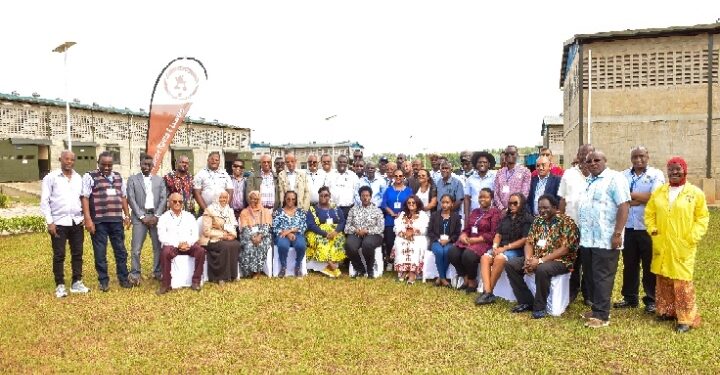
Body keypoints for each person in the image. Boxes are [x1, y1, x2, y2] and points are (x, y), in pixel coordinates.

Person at [645, 157, 709, 333]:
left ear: (684, 170)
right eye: (671, 169)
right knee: (663, 278)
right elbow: (649, 213)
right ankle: (666, 311)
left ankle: (685, 319)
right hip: (662, 243)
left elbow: (702, 217)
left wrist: (692, 236)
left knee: (682, 282)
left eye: (677, 169)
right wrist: (653, 230)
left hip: (683, 245)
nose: (674, 172)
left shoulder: (695, 193)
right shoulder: (659, 192)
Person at [577, 150, 630, 329]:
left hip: (606, 239)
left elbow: (623, 205)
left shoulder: (615, 179)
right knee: (590, 276)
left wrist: (617, 233)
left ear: (605, 160)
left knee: (602, 277)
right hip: (588, 239)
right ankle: (595, 308)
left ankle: (602, 315)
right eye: (589, 161)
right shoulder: (589, 181)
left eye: (596, 160)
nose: (592, 163)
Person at [504, 195, 579, 318]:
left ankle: (540, 307)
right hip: (537, 257)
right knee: (510, 264)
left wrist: (539, 261)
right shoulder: (538, 221)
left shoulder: (567, 222)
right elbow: (529, 242)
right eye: (540, 208)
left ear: (555, 207)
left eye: (545, 207)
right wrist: (528, 259)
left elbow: (565, 249)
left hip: (561, 261)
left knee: (542, 268)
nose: (542, 211)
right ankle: (526, 301)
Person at [614, 146, 665, 314]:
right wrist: (638, 199)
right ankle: (630, 298)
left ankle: (651, 300)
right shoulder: (623, 176)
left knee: (649, 264)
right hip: (628, 227)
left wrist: (630, 197)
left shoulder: (656, 175)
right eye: (634, 157)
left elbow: (655, 197)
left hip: (647, 228)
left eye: (641, 156)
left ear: (647, 156)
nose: (638, 160)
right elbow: (619, 199)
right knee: (630, 264)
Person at [81, 151, 133, 292]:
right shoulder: (90, 176)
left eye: (109, 165)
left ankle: (123, 278)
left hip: (116, 220)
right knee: (100, 252)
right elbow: (85, 198)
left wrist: (127, 215)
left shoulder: (118, 177)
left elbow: (123, 197)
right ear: (98, 163)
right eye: (103, 164)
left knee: (121, 251)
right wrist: (88, 219)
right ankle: (103, 281)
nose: (107, 167)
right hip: (99, 222)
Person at [41, 150, 90, 297]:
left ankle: (76, 283)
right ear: (60, 159)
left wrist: (83, 216)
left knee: (77, 253)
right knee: (59, 255)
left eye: (72, 160)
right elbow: (44, 201)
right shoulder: (51, 178)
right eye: (66, 159)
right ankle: (60, 285)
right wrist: (50, 222)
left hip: (76, 222)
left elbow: (83, 198)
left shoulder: (78, 178)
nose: (69, 162)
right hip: (58, 223)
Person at [476, 192, 534, 305]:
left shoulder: (528, 219)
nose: (511, 205)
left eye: (515, 203)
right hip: (501, 248)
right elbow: (498, 234)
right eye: (510, 203)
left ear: (521, 204)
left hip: (517, 250)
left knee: (499, 258)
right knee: (485, 258)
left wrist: (505, 248)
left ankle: (487, 293)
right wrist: (494, 247)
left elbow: (525, 239)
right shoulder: (505, 218)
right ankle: (488, 292)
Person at [558, 144, 594, 305]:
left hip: (592, 227)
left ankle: (588, 294)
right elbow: (562, 199)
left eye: (589, 154)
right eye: (582, 154)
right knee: (572, 260)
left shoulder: (599, 174)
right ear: (578, 156)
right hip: (571, 227)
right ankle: (572, 291)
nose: (585, 157)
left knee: (589, 261)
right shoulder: (569, 174)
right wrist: (561, 224)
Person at [448, 188, 501, 293]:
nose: (482, 199)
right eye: (480, 197)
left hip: (484, 242)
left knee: (468, 255)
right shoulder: (475, 211)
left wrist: (475, 240)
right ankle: (465, 276)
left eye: (486, 197)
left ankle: (472, 280)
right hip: (468, 240)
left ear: (491, 199)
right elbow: (467, 228)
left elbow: (493, 234)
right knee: (452, 252)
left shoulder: (495, 213)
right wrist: (463, 235)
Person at [127, 154, 167, 285]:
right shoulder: (133, 179)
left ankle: (157, 272)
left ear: (153, 166)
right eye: (144, 164)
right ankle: (135, 274)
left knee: (158, 247)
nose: (147, 167)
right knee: (136, 248)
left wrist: (157, 216)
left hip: (156, 217)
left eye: (149, 165)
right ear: (140, 163)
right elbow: (131, 199)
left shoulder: (159, 180)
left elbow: (163, 199)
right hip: (140, 218)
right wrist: (142, 216)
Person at [156, 193, 206, 295]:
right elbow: (162, 237)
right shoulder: (163, 218)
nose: (177, 203)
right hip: (172, 245)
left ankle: (196, 282)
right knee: (165, 253)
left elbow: (195, 234)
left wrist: (188, 243)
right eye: (174, 201)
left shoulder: (189, 216)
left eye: (180, 201)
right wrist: (178, 244)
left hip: (188, 245)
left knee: (200, 251)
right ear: (169, 203)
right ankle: (166, 284)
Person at [199, 191, 241, 284]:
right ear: (216, 198)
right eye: (221, 197)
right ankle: (219, 276)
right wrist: (223, 235)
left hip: (227, 236)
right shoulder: (209, 210)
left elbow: (233, 225)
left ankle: (232, 274)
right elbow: (206, 231)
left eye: (225, 198)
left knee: (236, 244)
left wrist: (232, 235)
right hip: (210, 239)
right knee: (224, 246)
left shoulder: (229, 210)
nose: (223, 200)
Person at [344, 186, 385, 278]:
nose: (365, 198)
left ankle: (370, 270)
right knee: (349, 245)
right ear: (360, 197)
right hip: (356, 233)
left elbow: (381, 228)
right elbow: (347, 227)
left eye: (367, 196)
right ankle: (360, 269)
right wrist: (356, 230)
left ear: (371, 197)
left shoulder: (377, 210)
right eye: (363, 196)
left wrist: (367, 231)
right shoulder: (353, 209)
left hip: (373, 234)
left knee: (367, 244)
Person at [306, 186, 346, 277]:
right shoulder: (313, 209)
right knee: (322, 241)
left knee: (339, 240)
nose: (324, 197)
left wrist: (336, 232)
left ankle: (330, 265)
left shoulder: (335, 208)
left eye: (326, 195)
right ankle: (331, 265)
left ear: (330, 196)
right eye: (321, 196)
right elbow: (311, 225)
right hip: (318, 232)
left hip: (334, 232)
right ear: (318, 196)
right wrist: (325, 233)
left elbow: (342, 221)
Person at [393, 195, 429, 284]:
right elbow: (396, 228)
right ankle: (404, 270)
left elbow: (425, 229)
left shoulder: (423, 215)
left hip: (418, 237)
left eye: (413, 202)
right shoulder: (402, 214)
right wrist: (404, 234)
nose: (411, 204)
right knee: (400, 242)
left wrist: (413, 232)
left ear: (417, 204)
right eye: (409, 203)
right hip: (403, 237)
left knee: (415, 244)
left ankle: (412, 273)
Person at [427, 194, 462, 287]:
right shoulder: (434, 215)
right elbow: (429, 231)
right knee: (439, 252)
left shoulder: (456, 217)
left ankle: (440, 278)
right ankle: (443, 278)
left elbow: (457, 233)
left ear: (452, 204)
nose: (444, 205)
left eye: (447, 202)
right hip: (436, 241)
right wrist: (438, 240)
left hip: (449, 242)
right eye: (443, 202)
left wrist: (449, 240)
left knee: (447, 251)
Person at [381, 169, 413, 268]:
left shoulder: (408, 190)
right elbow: (383, 204)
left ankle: (401, 262)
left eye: (400, 176)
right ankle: (390, 261)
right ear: (393, 177)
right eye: (396, 176)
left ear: (404, 177)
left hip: (404, 219)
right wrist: (391, 213)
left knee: (402, 241)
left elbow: (411, 203)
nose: (398, 178)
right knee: (390, 241)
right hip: (390, 220)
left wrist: (402, 213)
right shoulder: (388, 189)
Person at [238, 190, 273, 278]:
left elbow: (267, 226)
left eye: (256, 199)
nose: (253, 201)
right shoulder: (244, 212)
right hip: (248, 235)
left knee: (261, 245)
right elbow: (245, 228)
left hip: (263, 235)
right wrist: (253, 237)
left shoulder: (265, 211)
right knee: (249, 246)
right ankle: (248, 271)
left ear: (259, 199)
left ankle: (257, 271)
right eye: (251, 199)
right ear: (249, 199)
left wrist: (260, 236)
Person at [273, 191, 308, 277]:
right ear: (285, 199)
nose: (290, 201)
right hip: (282, 234)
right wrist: (288, 234)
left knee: (301, 245)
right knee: (282, 245)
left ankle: (297, 266)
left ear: (296, 200)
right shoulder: (278, 212)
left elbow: (303, 226)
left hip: (297, 234)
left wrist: (290, 231)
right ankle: (283, 267)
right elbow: (275, 227)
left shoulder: (301, 212)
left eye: (293, 199)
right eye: (288, 199)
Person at [193, 152, 233, 216]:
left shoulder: (225, 174)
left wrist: (224, 208)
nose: (214, 161)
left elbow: (230, 192)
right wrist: (206, 210)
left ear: (219, 162)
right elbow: (197, 193)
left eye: (216, 160)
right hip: (205, 210)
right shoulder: (200, 174)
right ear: (208, 160)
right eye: (212, 159)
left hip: (222, 211)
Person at [493, 145, 531, 211]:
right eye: (507, 154)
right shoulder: (499, 172)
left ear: (517, 155)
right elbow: (495, 193)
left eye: (512, 153)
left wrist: (513, 207)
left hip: (517, 210)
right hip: (501, 212)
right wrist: (502, 209)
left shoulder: (525, 172)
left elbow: (524, 194)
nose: (509, 155)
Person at [464, 151, 496, 220]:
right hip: (474, 215)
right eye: (479, 162)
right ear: (476, 164)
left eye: (485, 162)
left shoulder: (494, 178)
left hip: (489, 215)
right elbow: (467, 199)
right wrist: (467, 217)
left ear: (489, 164)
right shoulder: (470, 179)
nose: (482, 164)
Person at [327, 155, 358, 221]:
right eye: (340, 162)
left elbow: (357, 192)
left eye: (344, 162)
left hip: (348, 209)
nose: (342, 164)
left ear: (347, 163)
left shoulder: (353, 175)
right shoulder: (330, 175)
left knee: (347, 230)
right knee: (335, 230)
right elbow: (326, 191)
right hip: (333, 209)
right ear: (337, 163)